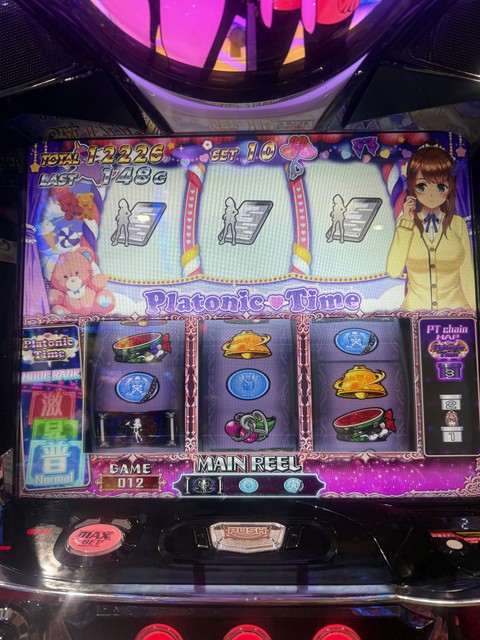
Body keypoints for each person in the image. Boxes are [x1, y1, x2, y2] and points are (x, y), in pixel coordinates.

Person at [386, 145, 475, 311]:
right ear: (412, 185)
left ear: (450, 187)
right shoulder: (406, 225)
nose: (432, 195)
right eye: (422, 186)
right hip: (414, 312)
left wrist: (475, 313)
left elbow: (467, 275)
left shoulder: (457, 224)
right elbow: (393, 270)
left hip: (456, 313)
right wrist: (406, 224)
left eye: (441, 187)